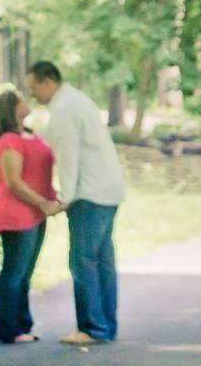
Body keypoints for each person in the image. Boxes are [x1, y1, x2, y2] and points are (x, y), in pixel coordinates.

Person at [25, 61, 126, 345]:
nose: (33, 94)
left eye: (33, 87)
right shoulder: (76, 101)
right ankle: (106, 325)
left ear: (48, 82)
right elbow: (54, 141)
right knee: (102, 260)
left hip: (89, 193)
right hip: (108, 190)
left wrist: (65, 197)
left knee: (82, 261)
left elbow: (68, 154)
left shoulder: (64, 108)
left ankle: (92, 328)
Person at [0, 90, 64, 344]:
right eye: (20, 98)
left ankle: (22, 324)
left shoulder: (31, 135)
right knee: (14, 270)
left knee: (25, 271)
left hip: (36, 210)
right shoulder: (9, 140)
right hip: (16, 210)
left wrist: (53, 200)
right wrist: (43, 203)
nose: (26, 100)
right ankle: (8, 329)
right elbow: (14, 182)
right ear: (12, 107)